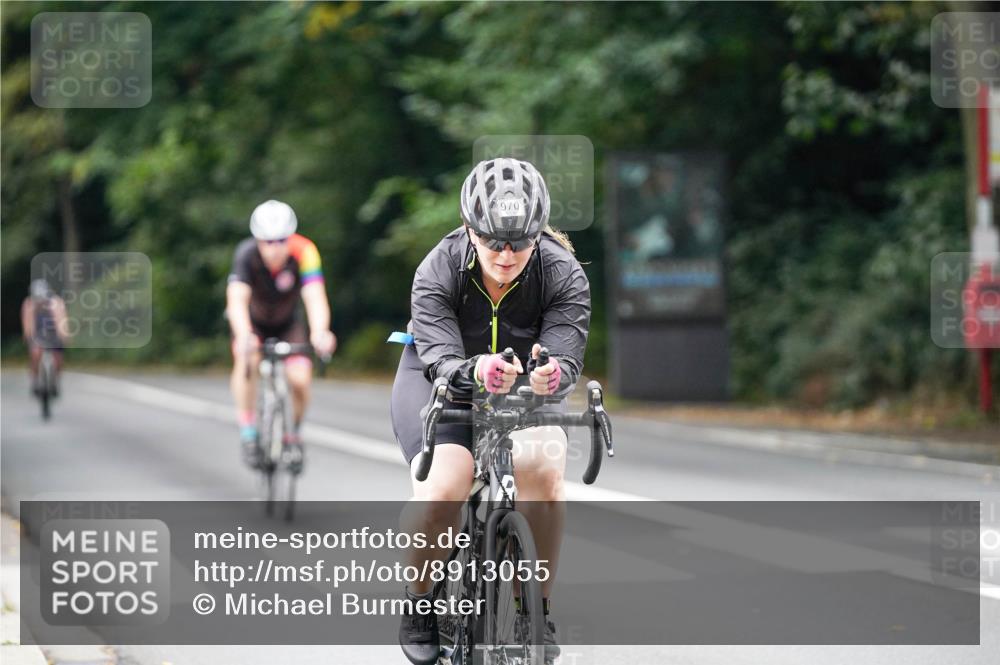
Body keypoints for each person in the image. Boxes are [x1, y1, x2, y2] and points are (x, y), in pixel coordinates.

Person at [391, 158, 591, 664]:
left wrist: (554, 376)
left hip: (524, 392)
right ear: (469, 230)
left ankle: (536, 612)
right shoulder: (439, 267)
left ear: (538, 235)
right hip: (442, 382)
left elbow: (566, 352)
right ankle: (421, 601)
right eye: (493, 242)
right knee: (443, 490)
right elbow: (438, 358)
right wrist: (473, 370)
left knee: (545, 471)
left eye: (520, 243)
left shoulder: (561, 270)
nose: (505, 256)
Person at [226, 200, 337, 472]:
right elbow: (237, 299)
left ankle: (293, 435)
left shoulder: (305, 251)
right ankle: (249, 432)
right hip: (254, 325)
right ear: (257, 239)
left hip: (289, 324)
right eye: (267, 242)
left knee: (300, 381)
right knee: (247, 361)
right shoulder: (246, 254)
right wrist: (243, 336)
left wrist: (320, 332)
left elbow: (314, 296)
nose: (274, 248)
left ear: (291, 237)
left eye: (281, 240)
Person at [21, 278, 69, 395]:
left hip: (53, 333)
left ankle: (56, 381)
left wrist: (64, 335)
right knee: (36, 354)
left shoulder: (56, 303)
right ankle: (35, 381)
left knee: (58, 358)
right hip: (37, 333)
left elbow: (61, 320)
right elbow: (28, 323)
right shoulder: (29, 304)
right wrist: (28, 336)